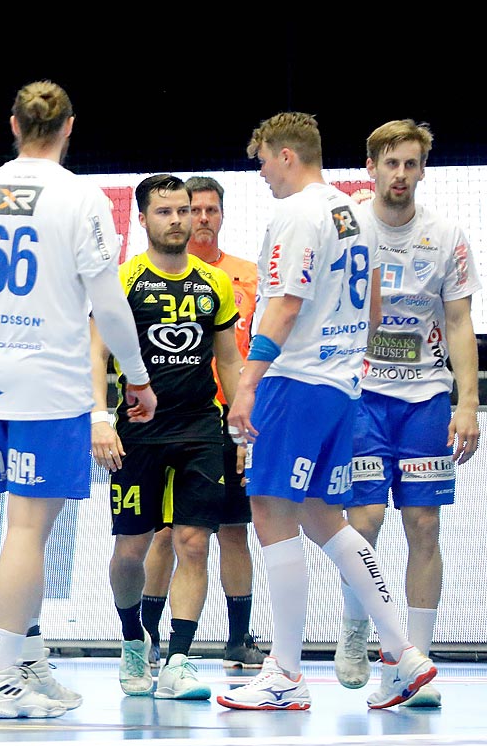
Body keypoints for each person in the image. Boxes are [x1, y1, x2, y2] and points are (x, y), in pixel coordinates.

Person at [0, 81, 157, 720]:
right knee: (28, 529)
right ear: (69, 127)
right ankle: (2, 676)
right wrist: (135, 376)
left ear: (12, 125)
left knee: (25, 524)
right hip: (50, 384)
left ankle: (29, 663)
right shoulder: (81, 198)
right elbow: (108, 303)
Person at [219, 112, 436, 711]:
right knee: (324, 518)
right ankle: (403, 653)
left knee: (268, 510)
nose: (260, 172)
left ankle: (286, 673)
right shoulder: (353, 213)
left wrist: (248, 385)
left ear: (286, 154)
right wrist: (348, 371)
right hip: (340, 386)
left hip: (296, 383)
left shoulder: (296, 213)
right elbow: (372, 306)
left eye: (262, 159)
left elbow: (284, 306)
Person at [335, 120, 478, 707]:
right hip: (361, 394)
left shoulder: (445, 235)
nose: (401, 175)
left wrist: (467, 402)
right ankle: (355, 626)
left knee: (424, 526)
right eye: (391, 163)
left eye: (411, 164)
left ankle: (414, 664)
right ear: (371, 168)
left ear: (422, 170)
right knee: (363, 521)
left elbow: (462, 320)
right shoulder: (347, 227)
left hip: (425, 398)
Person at [89, 174, 243, 702]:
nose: (179, 220)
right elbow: (96, 353)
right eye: (166, 212)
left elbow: (229, 359)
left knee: (193, 542)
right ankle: (134, 641)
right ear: (143, 219)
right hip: (138, 432)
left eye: (185, 210)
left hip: (202, 426)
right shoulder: (122, 281)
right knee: (131, 549)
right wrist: (99, 418)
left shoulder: (214, 283)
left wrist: (243, 427)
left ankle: (179, 658)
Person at [135, 176, 268, 671]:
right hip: (172, 422)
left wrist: (245, 422)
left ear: (220, 216)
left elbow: (249, 353)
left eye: (211, 210)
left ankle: (238, 638)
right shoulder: (144, 277)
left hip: (227, 421)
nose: (202, 218)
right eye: (195, 209)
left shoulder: (247, 276)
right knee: (166, 534)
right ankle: (147, 635)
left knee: (235, 530)